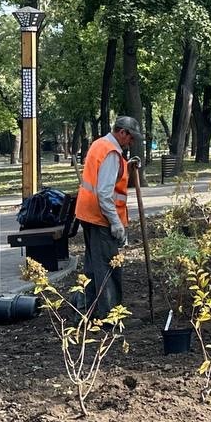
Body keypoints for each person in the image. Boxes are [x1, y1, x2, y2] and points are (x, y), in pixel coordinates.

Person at [73, 116, 142, 316]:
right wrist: (116, 223)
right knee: (108, 268)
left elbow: (103, 176)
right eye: (131, 138)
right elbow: (104, 192)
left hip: (88, 214)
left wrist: (126, 166)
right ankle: (110, 316)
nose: (132, 142)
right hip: (100, 218)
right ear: (122, 132)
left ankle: (88, 311)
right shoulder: (112, 153)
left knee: (94, 267)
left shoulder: (100, 144)